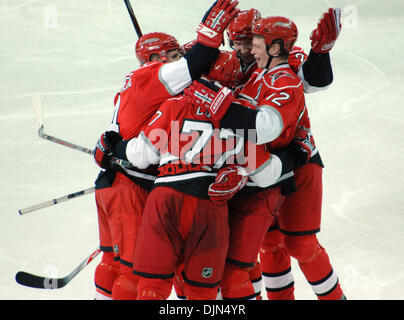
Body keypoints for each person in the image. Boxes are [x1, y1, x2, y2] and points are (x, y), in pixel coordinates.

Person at [100, 49, 308, 300]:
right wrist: (294, 154)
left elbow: (140, 155)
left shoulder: (173, 104)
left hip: (165, 200)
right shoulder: (241, 118)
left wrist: (114, 147)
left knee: (152, 288)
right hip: (210, 209)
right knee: (203, 293)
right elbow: (266, 175)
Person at [92, 0, 240, 300]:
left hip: (116, 182)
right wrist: (209, 37)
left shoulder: (137, 84)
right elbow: (195, 65)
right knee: (134, 274)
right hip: (132, 183)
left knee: (114, 262)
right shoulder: (152, 74)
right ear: (157, 57)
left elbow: (123, 135)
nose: (177, 61)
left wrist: (112, 147)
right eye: (173, 56)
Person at [196, 11, 345, 300]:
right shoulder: (237, 69)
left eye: (247, 42)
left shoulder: (281, 69)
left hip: (298, 162)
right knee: (270, 245)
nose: (242, 50)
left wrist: (320, 53)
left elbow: (315, 81)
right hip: (261, 169)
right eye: (235, 43)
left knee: (301, 244)